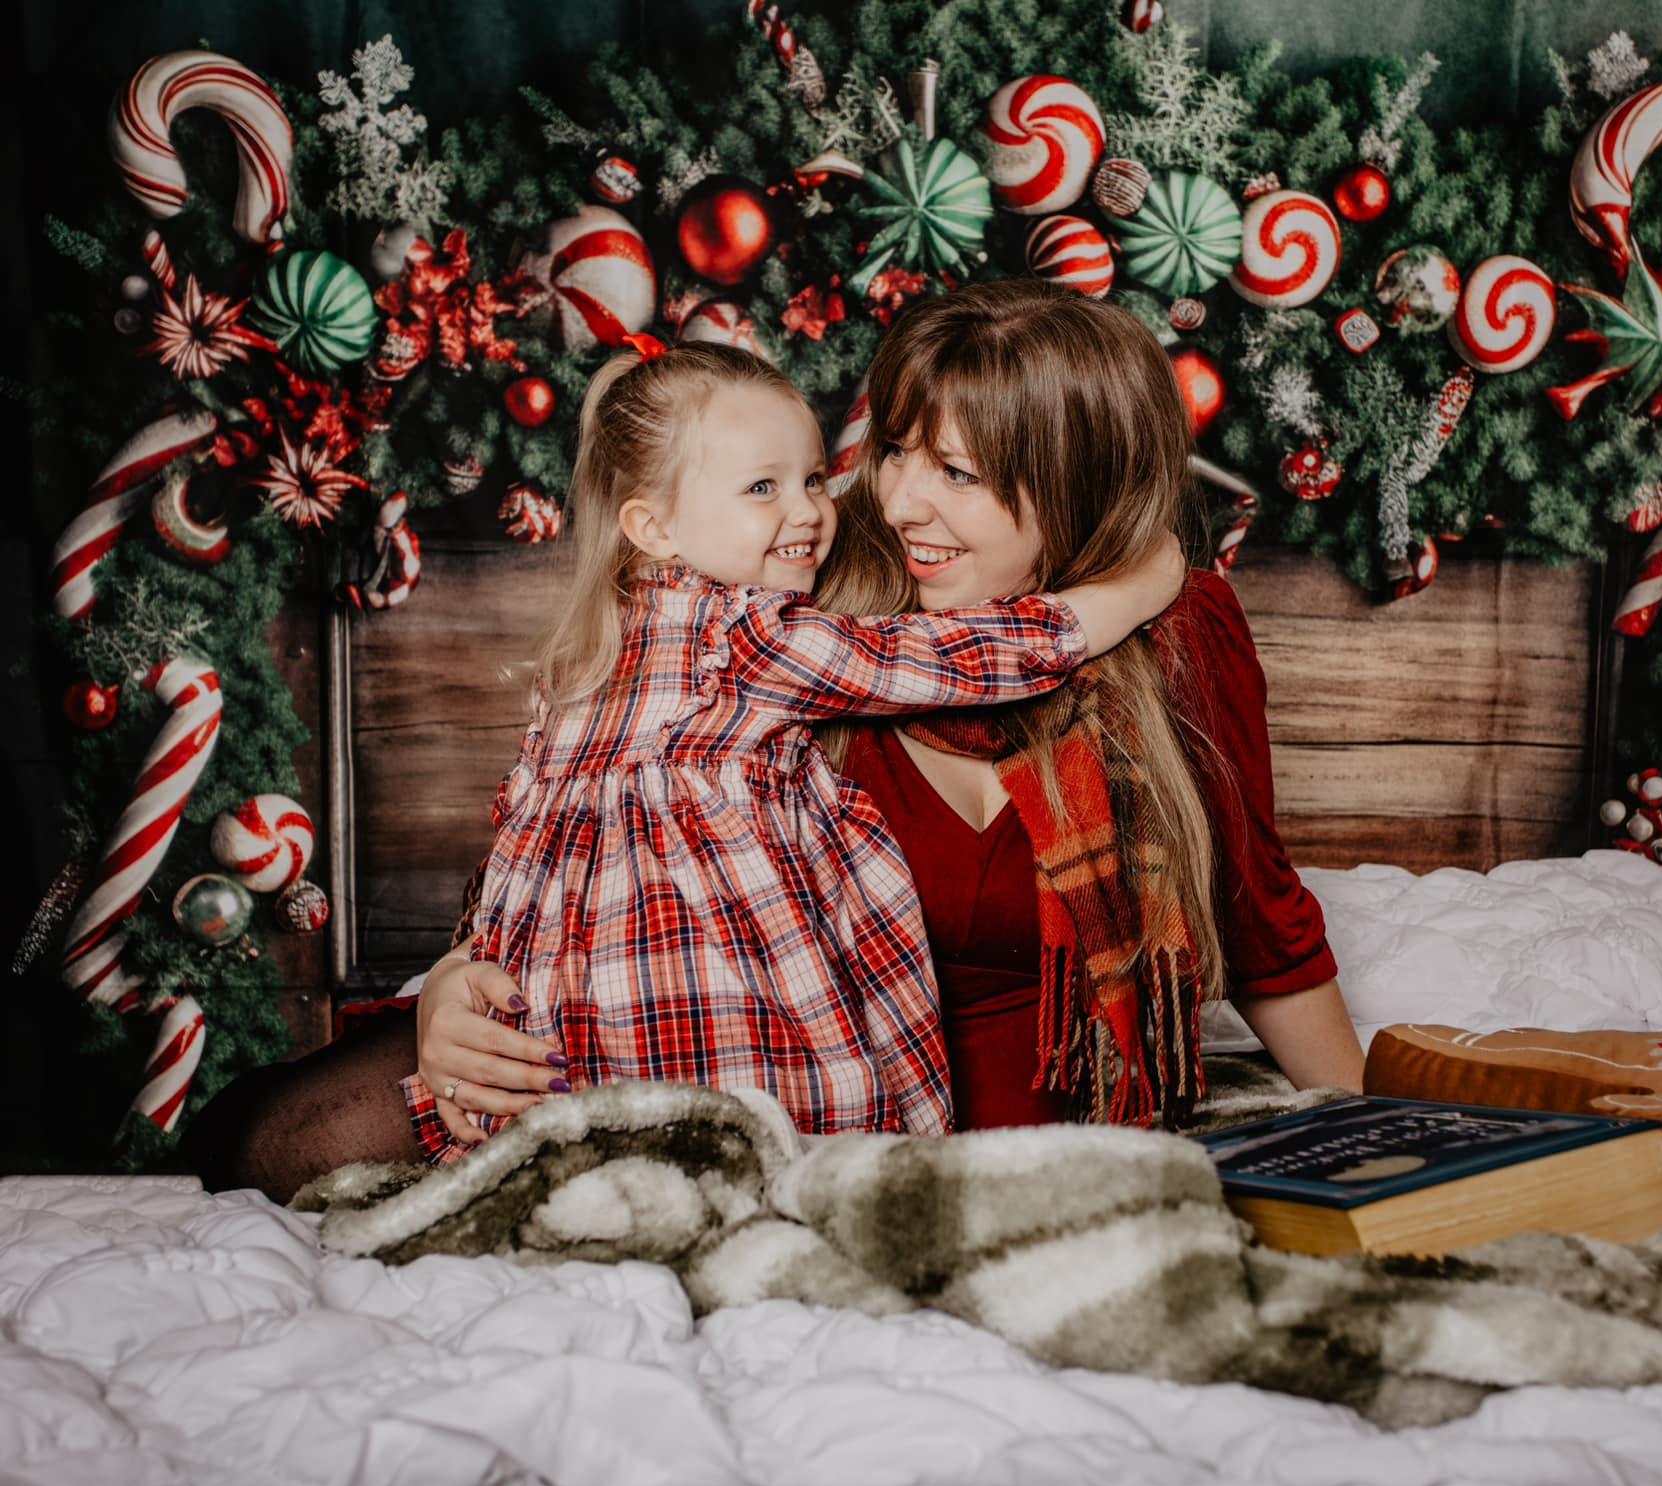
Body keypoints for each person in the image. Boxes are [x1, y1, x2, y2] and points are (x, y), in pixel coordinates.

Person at [186, 280, 1363, 1201]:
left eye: (955, 472)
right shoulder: (805, 590)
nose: (895, 501)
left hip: (906, 1121)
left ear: (1075, 484)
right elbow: (581, 816)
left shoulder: (1178, 635)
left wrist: (1372, 1136)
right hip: (696, 1037)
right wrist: (452, 984)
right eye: (894, 450)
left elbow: (1259, 921)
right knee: (260, 1138)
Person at [414, 338, 1183, 1159]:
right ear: (654, 527)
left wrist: (459, 973)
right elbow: (959, 658)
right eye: (762, 488)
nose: (810, 511)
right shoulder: (747, 635)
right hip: (711, 1008)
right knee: (780, 1150)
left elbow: (524, 868)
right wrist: (1136, 588)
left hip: (578, 1026)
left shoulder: (578, 668)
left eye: (814, 480)